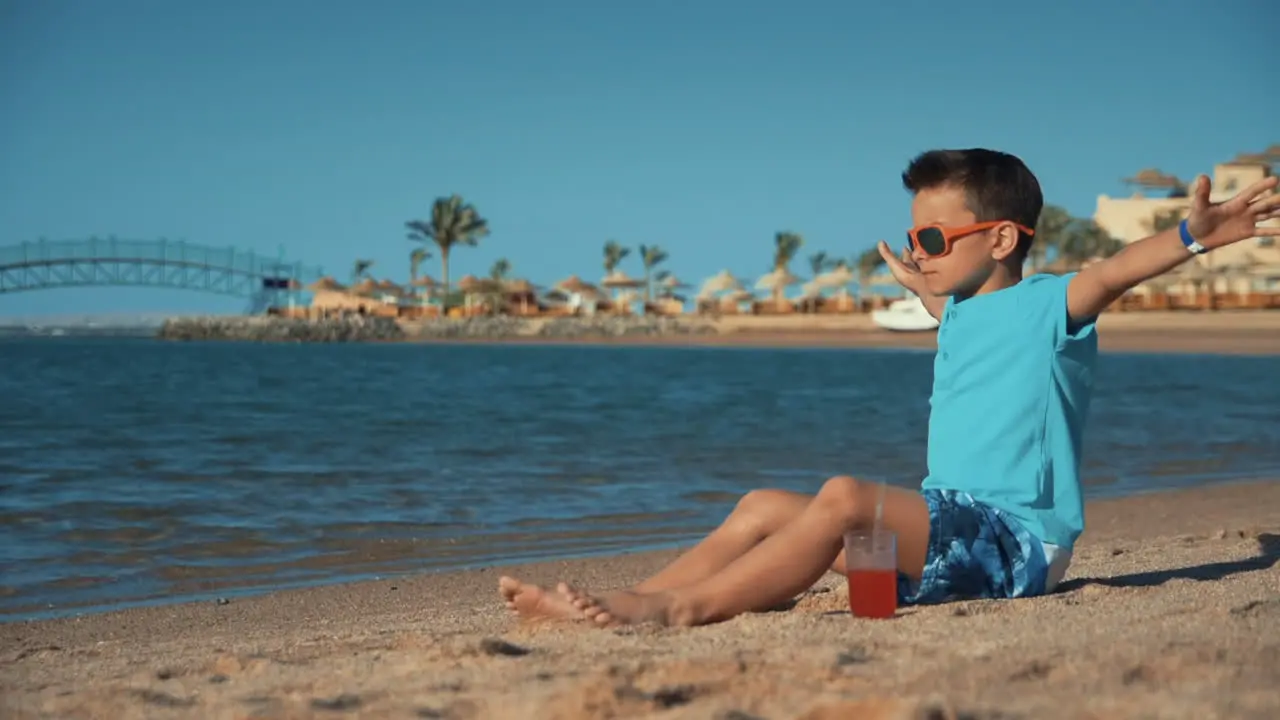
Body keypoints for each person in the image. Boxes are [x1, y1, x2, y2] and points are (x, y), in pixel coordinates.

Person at [499, 148, 1280, 627]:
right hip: (931, 554)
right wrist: (925, 280)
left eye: (935, 237)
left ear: (1003, 238)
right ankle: (632, 597)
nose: (921, 249)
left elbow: (1112, 271)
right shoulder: (961, 313)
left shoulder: (1051, 305)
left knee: (843, 495)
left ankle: (677, 609)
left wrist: (1191, 239)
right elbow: (958, 312)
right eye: (914, 237)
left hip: (1013, 549)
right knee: (763, 509)